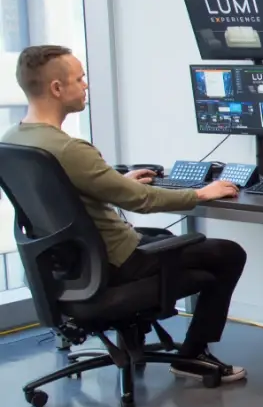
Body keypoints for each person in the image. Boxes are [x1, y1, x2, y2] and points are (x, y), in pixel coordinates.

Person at [1, 45, 247, 383]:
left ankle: (145, 336)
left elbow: (65, 193)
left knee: (166, 239)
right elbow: (141, 201)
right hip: (115, 263)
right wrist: (201, 193)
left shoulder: (15, 140)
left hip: (67, 266)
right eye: (79, 78)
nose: (85, 85)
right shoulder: (70, 149)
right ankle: (191, 356)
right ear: (57, 89)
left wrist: (116, 182)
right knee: (227, 254)